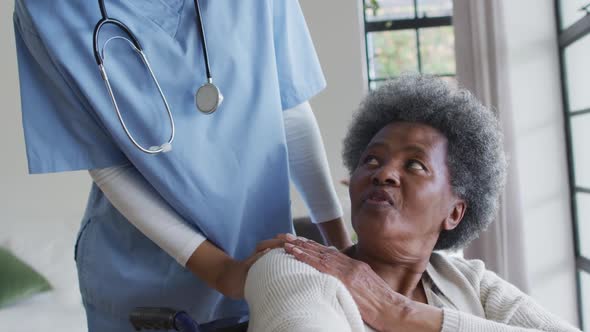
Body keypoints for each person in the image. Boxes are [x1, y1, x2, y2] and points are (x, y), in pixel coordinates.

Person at [13, 0, 352, 330]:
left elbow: (289, 110)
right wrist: (222, 272)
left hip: (261, 259)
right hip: (142, 274)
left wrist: (343, 248)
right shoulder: (48, 9)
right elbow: (107, 165)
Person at [244, 74, 581, 332]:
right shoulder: (294, 266)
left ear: (454, 213)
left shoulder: (471, 282)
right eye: (372, 160)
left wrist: (399, 313)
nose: (384, 174)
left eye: (415, 165)